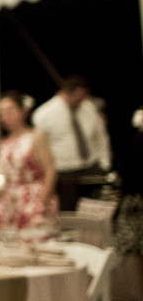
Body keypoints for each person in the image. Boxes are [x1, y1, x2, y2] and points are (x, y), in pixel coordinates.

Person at [32, 75, 112, 211]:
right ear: (66, 93)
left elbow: (100, 136)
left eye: (83, 96)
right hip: (64, 169)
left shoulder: (88, 107)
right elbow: (39, 147)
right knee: (68, 208)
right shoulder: (45, 113)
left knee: (94, 208)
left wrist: (105, 161)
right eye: (77, 96)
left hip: (89, 165)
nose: (80, 100)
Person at [0, 91, 58, 242]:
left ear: (23, 111)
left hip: (34, 196)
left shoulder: (36, 137)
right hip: (11, 199)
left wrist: (42, 203)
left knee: (35, 242)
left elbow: (50, 171)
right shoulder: (4, 142)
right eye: (2, 112)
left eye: (10, 110)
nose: (6, 116)